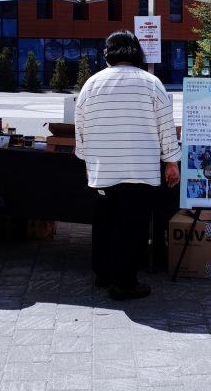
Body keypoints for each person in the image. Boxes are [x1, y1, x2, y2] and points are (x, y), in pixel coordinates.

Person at [75, 30, 181, 300]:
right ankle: (124, 283)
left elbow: (81, 127)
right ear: (137, 52)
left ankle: (103, 274)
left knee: (104, 224)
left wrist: (87, 158)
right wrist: (171, 162)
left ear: (107, 54)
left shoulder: (91, 84)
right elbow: (165, 128)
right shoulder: (151, 82)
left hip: (103, 167)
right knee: (131, 227)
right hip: (140, 168)